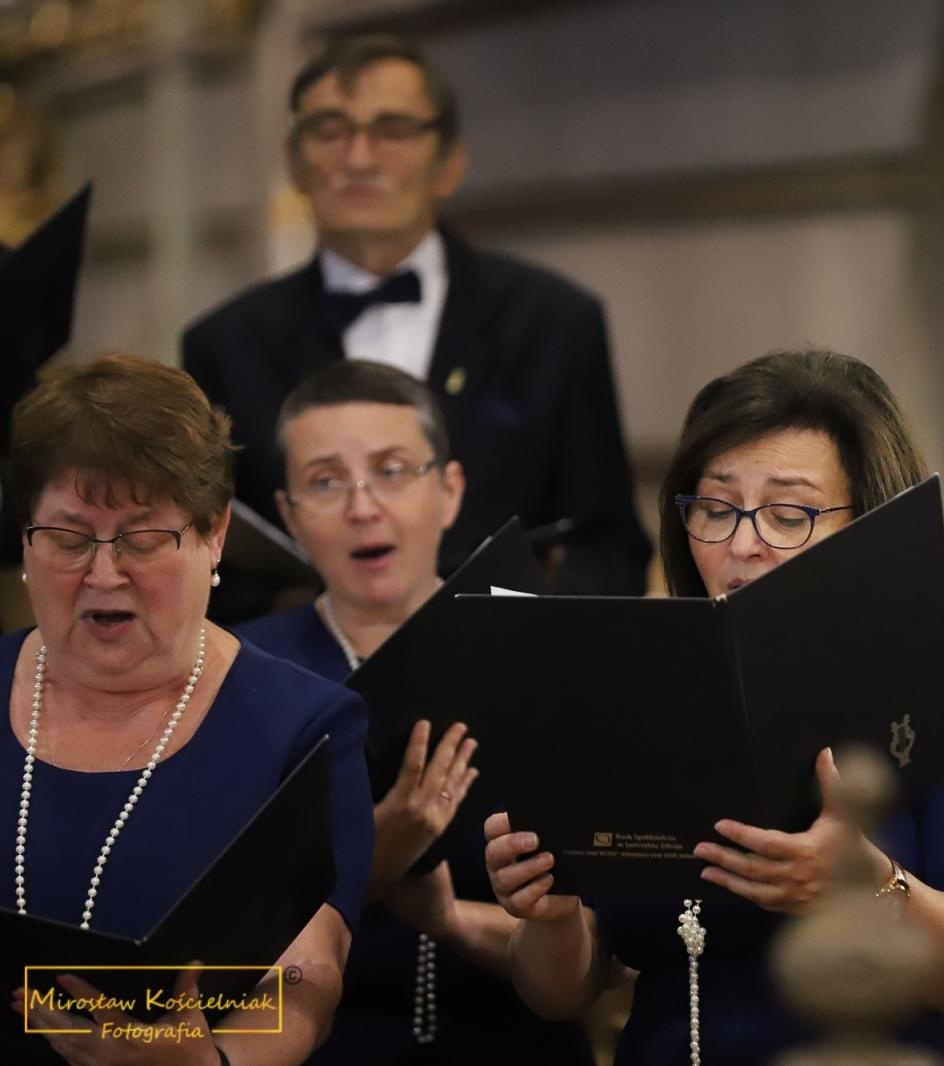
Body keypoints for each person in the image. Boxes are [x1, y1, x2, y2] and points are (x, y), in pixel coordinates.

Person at [485, 349, 944, 1064]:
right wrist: (551, 913)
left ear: (870, 526)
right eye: (715, 509)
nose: (745, 545)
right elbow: (565, 991)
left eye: (789, 514)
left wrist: (867, 884)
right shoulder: (630, 679)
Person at [182, 33, 649, 605]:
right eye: (330, 131)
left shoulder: (554, 321)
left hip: (507, 676)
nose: (358, 158)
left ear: (449, 163)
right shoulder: (225, 344)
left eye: (392, 131)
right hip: (307, 676)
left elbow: (609, 546)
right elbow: (206, 559)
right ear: (294, 161)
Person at [2, 354, 374, 1063]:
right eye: (68, 538)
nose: (104, 573)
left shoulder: (304, 726)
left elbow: (305, 983)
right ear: (25, 540)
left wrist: (207, 1059)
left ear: (214, 536)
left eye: (144, 539)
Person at [235, 360, 594, 1063]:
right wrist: (366, 858)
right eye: (326, 482)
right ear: (288, 514)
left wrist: (451, 920)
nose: (362, 506)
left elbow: (602, 961)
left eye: (392, 471)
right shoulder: (238, 674)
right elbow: (211, 944)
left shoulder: (545, 654)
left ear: (450, 489)